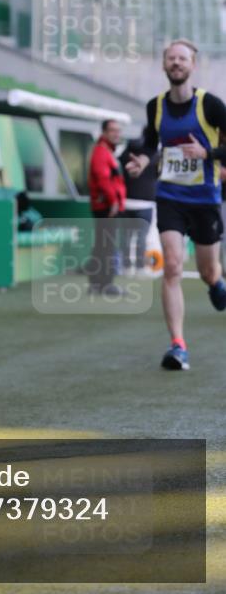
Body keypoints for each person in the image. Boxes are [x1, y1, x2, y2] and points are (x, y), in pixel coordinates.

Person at [126, 40, 226, 370]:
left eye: (182, 58)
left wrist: (207, 154)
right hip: (170, 196)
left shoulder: (211, 105)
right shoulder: (155, 106)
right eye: (171, 58)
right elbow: (152, 143)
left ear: (192, 65)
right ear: (164, 66)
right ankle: (178, 345)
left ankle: (216, 282)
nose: (176, 63)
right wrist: (143, 160)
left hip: (205, 199)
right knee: (172, 266)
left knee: (209, 270)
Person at [86, 119, 127, 294]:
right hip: (106, 206)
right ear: (103, 132)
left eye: (118, 130)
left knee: (103, 245)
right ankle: (104, 283)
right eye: (112, 130)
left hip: (106, 205)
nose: (116, 134)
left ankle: (97, 283)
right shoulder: (102, 152)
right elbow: (102, 179)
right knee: (106, 246)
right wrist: (113, 202)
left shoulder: (107, 151)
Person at [120, 136, 157, 274]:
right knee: (141, 237)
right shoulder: (153, 160)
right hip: (144, 204)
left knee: (126, 237)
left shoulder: (124, 157)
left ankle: (126, 266)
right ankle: (140, 266)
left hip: (127, 203)